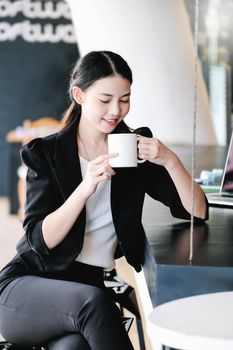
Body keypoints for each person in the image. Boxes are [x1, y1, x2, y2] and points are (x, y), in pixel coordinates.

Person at [0, 50, 208, 350]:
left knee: (76, 345)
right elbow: (39, 240)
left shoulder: (133, 148)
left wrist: (170, 160)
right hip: (27, 289)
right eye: (105, 99)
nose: (115, 110)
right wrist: (85, 188)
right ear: (79, 95)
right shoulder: (46, 153)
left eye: (124, 99)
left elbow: (197, 211)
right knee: (95, 303)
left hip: (84, 295)